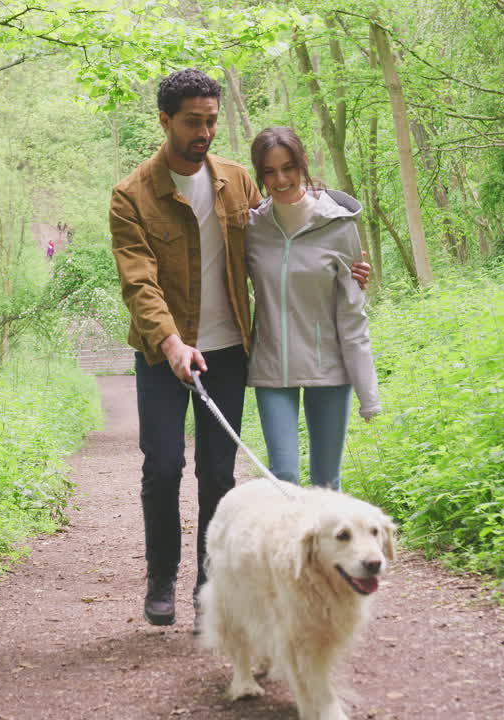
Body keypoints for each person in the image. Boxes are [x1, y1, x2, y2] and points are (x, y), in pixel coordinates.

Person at [110, 70, 370, 627]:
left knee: (218, 474)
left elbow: (291, 222)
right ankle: (162, 579)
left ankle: (211, 587)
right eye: (192, 122)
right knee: (162, 465)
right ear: (165, 121)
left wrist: (346, 266)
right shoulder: (131, 195)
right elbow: (138, 281)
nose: (204, 131)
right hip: (162, 355)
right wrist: (172, 339)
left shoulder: (235, 180)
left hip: (229, 352)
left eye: (210, 120)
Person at [245, 126, 381, 491]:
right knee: (283, 479)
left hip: (330, 371)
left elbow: (353, 311)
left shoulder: (338, 224)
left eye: (288, 167)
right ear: (260, 175)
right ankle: (286, 551)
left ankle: (324, 551)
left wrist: (369, 394)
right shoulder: (252, 227)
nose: (281, 179)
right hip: (272, 368)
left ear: (303, 163)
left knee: (326, 484)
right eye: (269, 172)